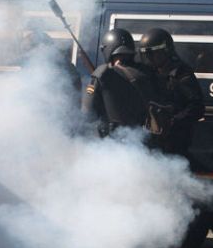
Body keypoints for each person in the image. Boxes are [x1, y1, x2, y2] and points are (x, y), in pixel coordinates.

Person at [138, 28, 205, 157]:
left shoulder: (181, 74)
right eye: (146, 54)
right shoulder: (148, 73)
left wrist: (173, 121)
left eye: (153, 53)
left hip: (175, 140)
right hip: (152, 139)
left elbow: (197, 107)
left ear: (166, 51)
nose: (149, 58)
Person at [82, 28, 157, 137]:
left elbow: (88, 114)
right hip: (143, 141)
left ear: (107, 50)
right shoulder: (148, 73)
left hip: (112, 145)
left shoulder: (102, 73)